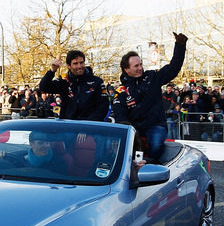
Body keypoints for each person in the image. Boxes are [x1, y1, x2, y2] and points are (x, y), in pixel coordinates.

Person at [112, 32, 188, 163]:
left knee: (156, 145)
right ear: (126, 69)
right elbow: (120, 114)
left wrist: (180, 46)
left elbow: (173, 68)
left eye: (141, 64)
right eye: (136, 66)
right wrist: (130, 130)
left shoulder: (152, 77)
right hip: (134, 128)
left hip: (156, 125)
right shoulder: (121, 90)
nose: (140, 68)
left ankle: (152, 170)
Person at [38, 50, 108, 121]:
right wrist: (52, 71)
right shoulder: (64, 81)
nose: (79, 66)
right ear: (68, 66)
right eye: (75, 63)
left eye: (81, 63)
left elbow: (103, 106)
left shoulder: (97, 81)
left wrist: (88, 124)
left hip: (90, 126)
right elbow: (43, 87)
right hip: (69, 126)